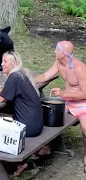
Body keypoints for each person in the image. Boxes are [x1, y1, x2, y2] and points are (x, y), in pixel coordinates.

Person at [35, 40, 86, 172]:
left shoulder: (79, 68)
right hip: (67, 101)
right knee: (47, 113)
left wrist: (64, 93)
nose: (54, 51)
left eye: (57, 49)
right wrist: (27, 79)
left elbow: (85, 93)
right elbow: (46, 75)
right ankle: (47, 146)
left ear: (63, 54)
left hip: (82, 103)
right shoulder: (59, 63)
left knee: (85, 128)